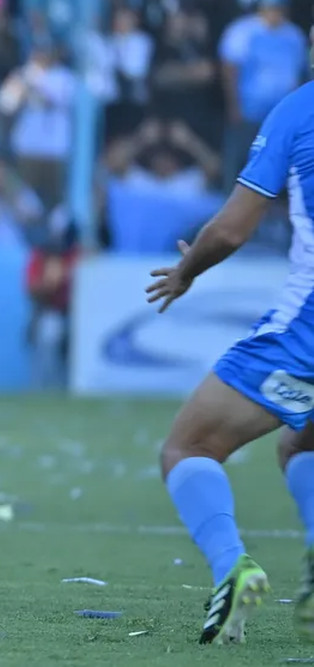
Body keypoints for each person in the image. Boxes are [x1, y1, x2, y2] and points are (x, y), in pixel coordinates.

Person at [146, 38, 314, 643]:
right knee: (302, 444)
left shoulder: (299, 109)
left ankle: (231, 567)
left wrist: (187, 270)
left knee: (187, 447)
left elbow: (234, 227)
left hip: (306, 330)